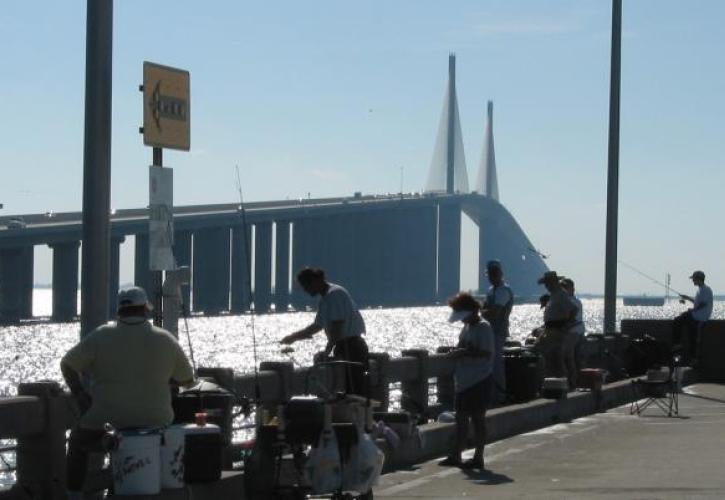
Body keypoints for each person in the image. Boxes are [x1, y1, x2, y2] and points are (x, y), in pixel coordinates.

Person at [61, 286, 194, 499]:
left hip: (106, 419)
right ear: (145, 310)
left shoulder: (101, 335)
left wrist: (79, 393)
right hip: (155, 422)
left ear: (119, 312)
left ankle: (74, 495)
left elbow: (67, 364)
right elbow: (187, 380)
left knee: (78, 442)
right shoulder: (166, 339)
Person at [280, 268, 368, 394]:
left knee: (353, 390)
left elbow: (338, 326)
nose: (306, 290)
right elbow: (317, 326)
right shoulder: (326, 299)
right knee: (347, 389)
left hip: (351, 348)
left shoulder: (334, 294)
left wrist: (327, 352)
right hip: (344, 347)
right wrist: (293, 337)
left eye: (306, 286)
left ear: (316, 281)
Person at [439, 292, 494, 470]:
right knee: (461, 419)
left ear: (472, 311)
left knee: (478, 419)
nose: (462, 321)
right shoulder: (467, 327)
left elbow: (486, 353)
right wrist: (456, 350)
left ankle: (478, 456)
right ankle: (457, 454)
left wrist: (464, 353)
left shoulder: (484, 327)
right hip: (463, 380)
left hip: (479, 379)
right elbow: (463, 346)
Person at [481, 260, 514, 404]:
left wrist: (480, 311)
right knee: (488, 364)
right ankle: (491, 395)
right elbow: (487, 309)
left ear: (500, 274)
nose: (491, 276)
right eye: (490, 274)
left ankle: (500, 396)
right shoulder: (491, 290)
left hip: (498, 331)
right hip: (489, 331)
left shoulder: (503, 291)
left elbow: (495, 312)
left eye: (494, 273)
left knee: (496, 364)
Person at [534, 271, 576, 380]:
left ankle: (563, 383)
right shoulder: (554, 294)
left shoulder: (561, 294)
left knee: (556, 360)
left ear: (554, 282)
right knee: (547, 355)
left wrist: (566, 326)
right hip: (549, 330)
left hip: (557, 331)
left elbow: (573, 309)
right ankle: (551, 381)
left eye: (548, 283)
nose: (546, 286)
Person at [673, 270, 713, 365]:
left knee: (677, 321)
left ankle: (678, 344)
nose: (692, 281)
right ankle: (693, 358)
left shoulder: (706, 289)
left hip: (699, 317)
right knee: (692, 336)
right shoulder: (701, 289)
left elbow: (703, 304)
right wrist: (687, 298)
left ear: (698, 279)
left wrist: (693, 310)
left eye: (693, 279)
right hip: (697, 316)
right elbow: (697, 302)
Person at [561, 278, 585, 388]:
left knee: (569, 358)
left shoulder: (572, 301)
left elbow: (570, 319)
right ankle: (574, 382)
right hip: (576, 332)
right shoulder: (575, 301)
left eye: (566, 287)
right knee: (573, 359)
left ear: (572, 289)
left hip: (572, 333)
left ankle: (571, 382)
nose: (564, 289)